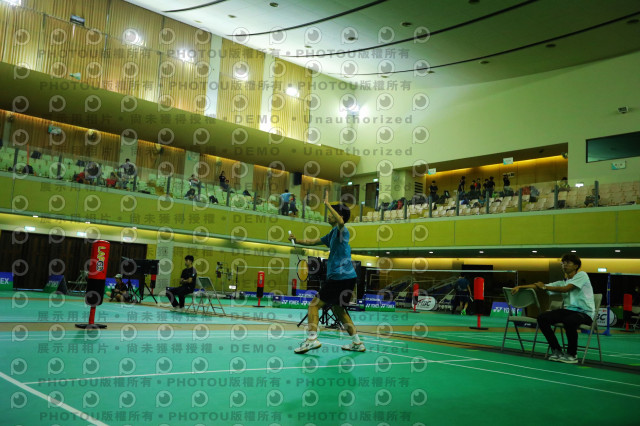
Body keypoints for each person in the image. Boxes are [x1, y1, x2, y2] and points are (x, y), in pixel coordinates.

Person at [288, 191, 365, 354]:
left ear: (338, 215)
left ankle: (311, 339)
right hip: (348, 278)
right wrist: (296, 240)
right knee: (339, 310)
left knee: (314, 305)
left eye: (332, 213)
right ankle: (357, 342)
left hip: (339, 277)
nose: (329, 215)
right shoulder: (332, 234)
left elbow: (341, 221)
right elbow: (312, 242)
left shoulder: (343, 231)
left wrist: (328, 204)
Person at [511, 253, 595, 364]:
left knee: (569, 321)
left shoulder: (582, 275)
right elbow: (540, 286)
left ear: (576, 266)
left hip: (585, 314)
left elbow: (565, 289)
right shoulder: (562, 282)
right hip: (568, 312)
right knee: (542, 318)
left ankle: (572, 354)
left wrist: (544, 287)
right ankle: (556, 350)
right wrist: (520, 287)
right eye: (563, 263)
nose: (564, 265)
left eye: (568, 263)